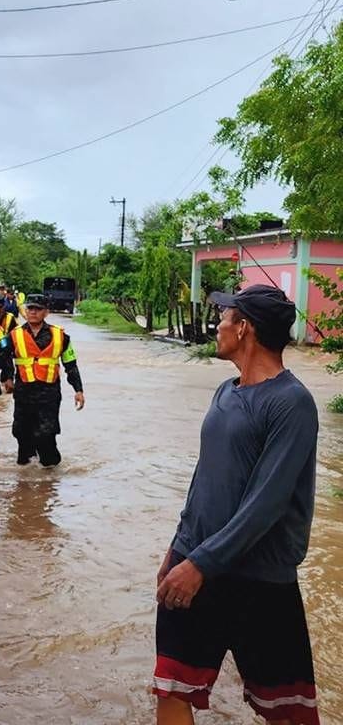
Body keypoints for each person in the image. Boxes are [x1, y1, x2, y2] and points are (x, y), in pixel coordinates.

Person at [153, 285, 319, 725]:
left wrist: (200, 565)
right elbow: (204, 479)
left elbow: (268, 503)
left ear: (244, 327)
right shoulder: (225, 392)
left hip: (258, 580)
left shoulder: (291, 403)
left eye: (224, 316)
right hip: (194, 564)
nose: (217, 325)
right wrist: (178, 548)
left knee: (288, 711)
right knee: (171, 688)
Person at [4, 294, 84, 466]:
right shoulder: (13, 336)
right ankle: (25, 483)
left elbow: (71, 364)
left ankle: (50, 478)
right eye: (30, 308)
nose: (33, 312)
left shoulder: (61, 336)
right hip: (24, 394)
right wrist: (7, 377)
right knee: (22, 434)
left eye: (38, 309)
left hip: (49, 395)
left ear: (46, 312)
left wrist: (78, 390)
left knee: (46, 435)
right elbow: (0, 358)